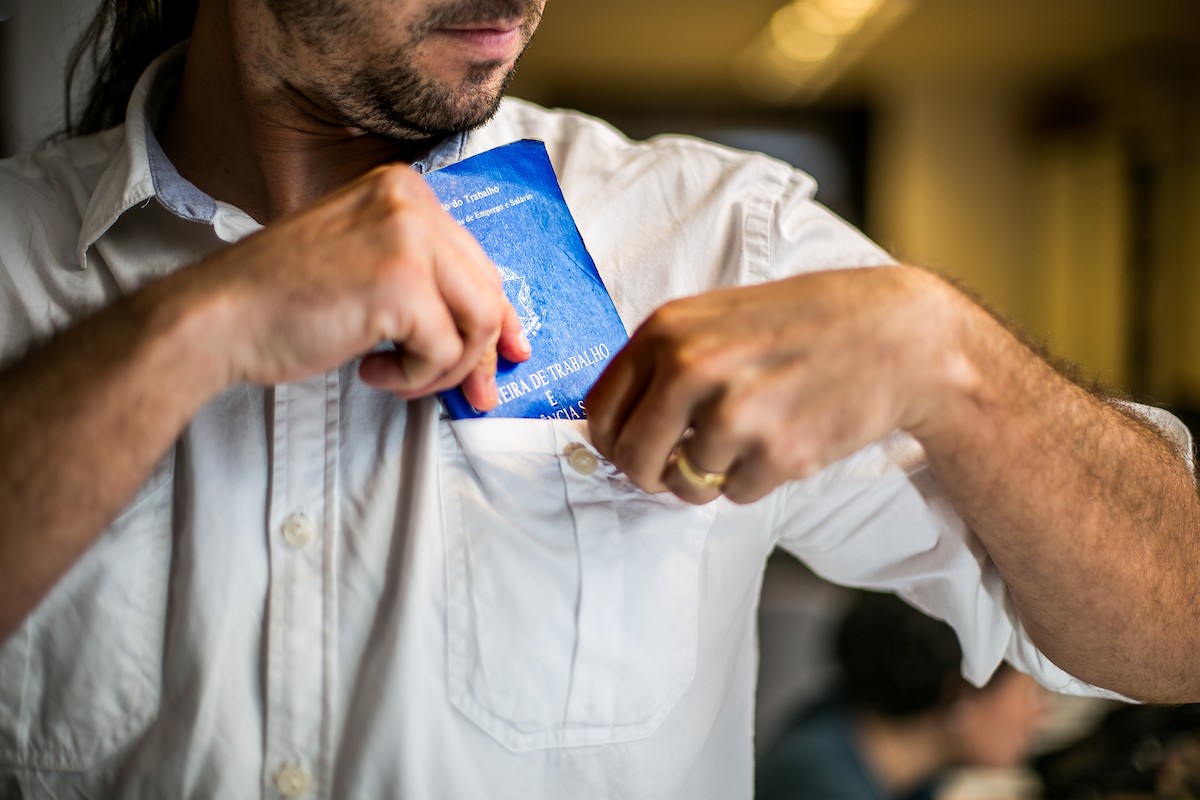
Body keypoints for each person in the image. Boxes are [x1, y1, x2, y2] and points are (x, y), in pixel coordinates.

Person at [0, 0, 1196, 797]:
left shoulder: (724, 238)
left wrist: (956, 361)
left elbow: (1177, 629)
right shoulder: (15, 257)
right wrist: (189, 327)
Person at [756, 591, 1049, 800]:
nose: (1041, 712)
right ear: (959, 694)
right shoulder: (814, 784)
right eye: (1031, 693)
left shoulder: (849, 738)